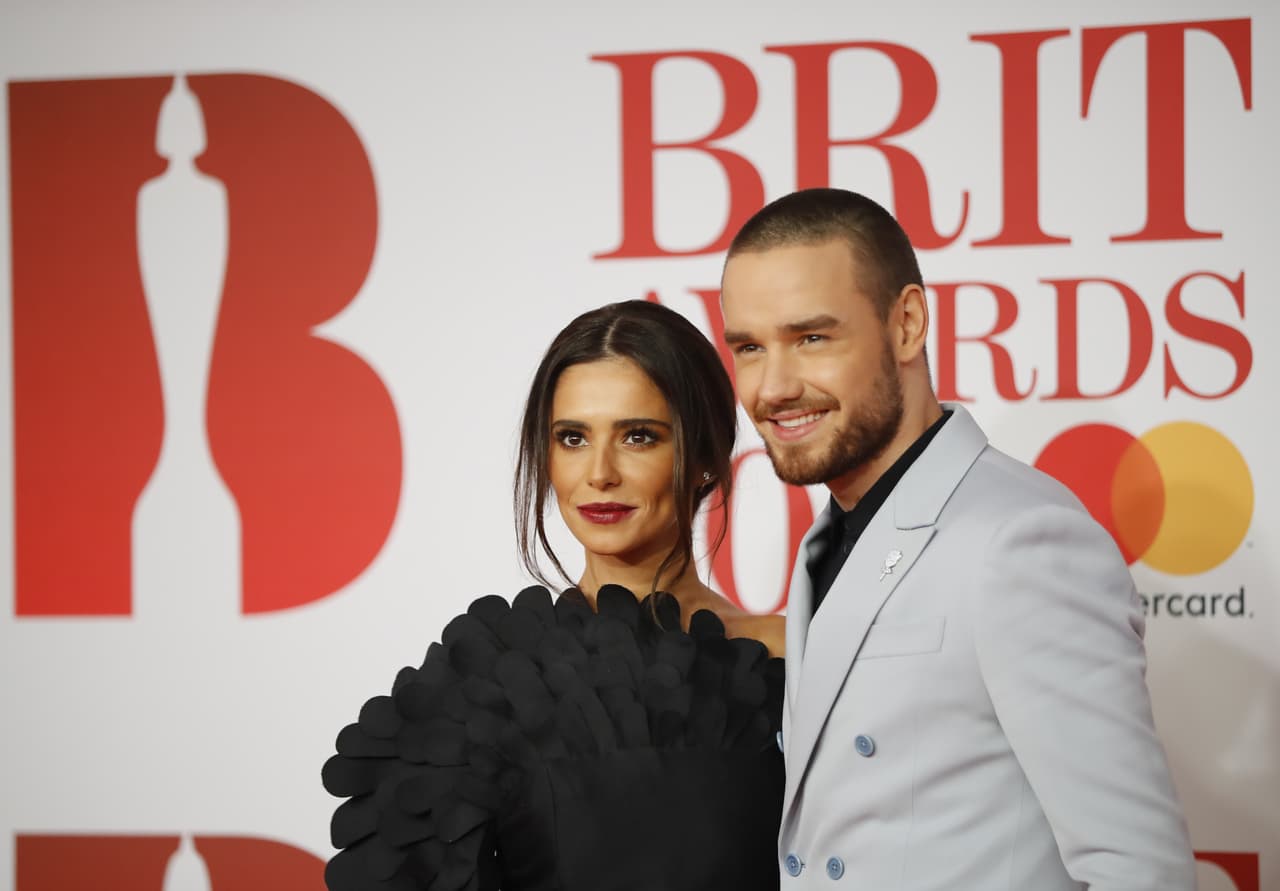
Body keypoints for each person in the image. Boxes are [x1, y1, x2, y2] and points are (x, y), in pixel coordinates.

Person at [719, 188, 1196, 889]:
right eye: (750, 348)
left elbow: (1140, 869)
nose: (774, 385)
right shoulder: (829, 542)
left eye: (812, 337)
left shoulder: (1021, 541)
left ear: (907, 323)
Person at [322, 300, 786, 891]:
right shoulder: (482, 688)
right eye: (572, 438)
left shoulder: (792, 658)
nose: (599, 473)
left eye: (638, 437)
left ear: (703, 459)